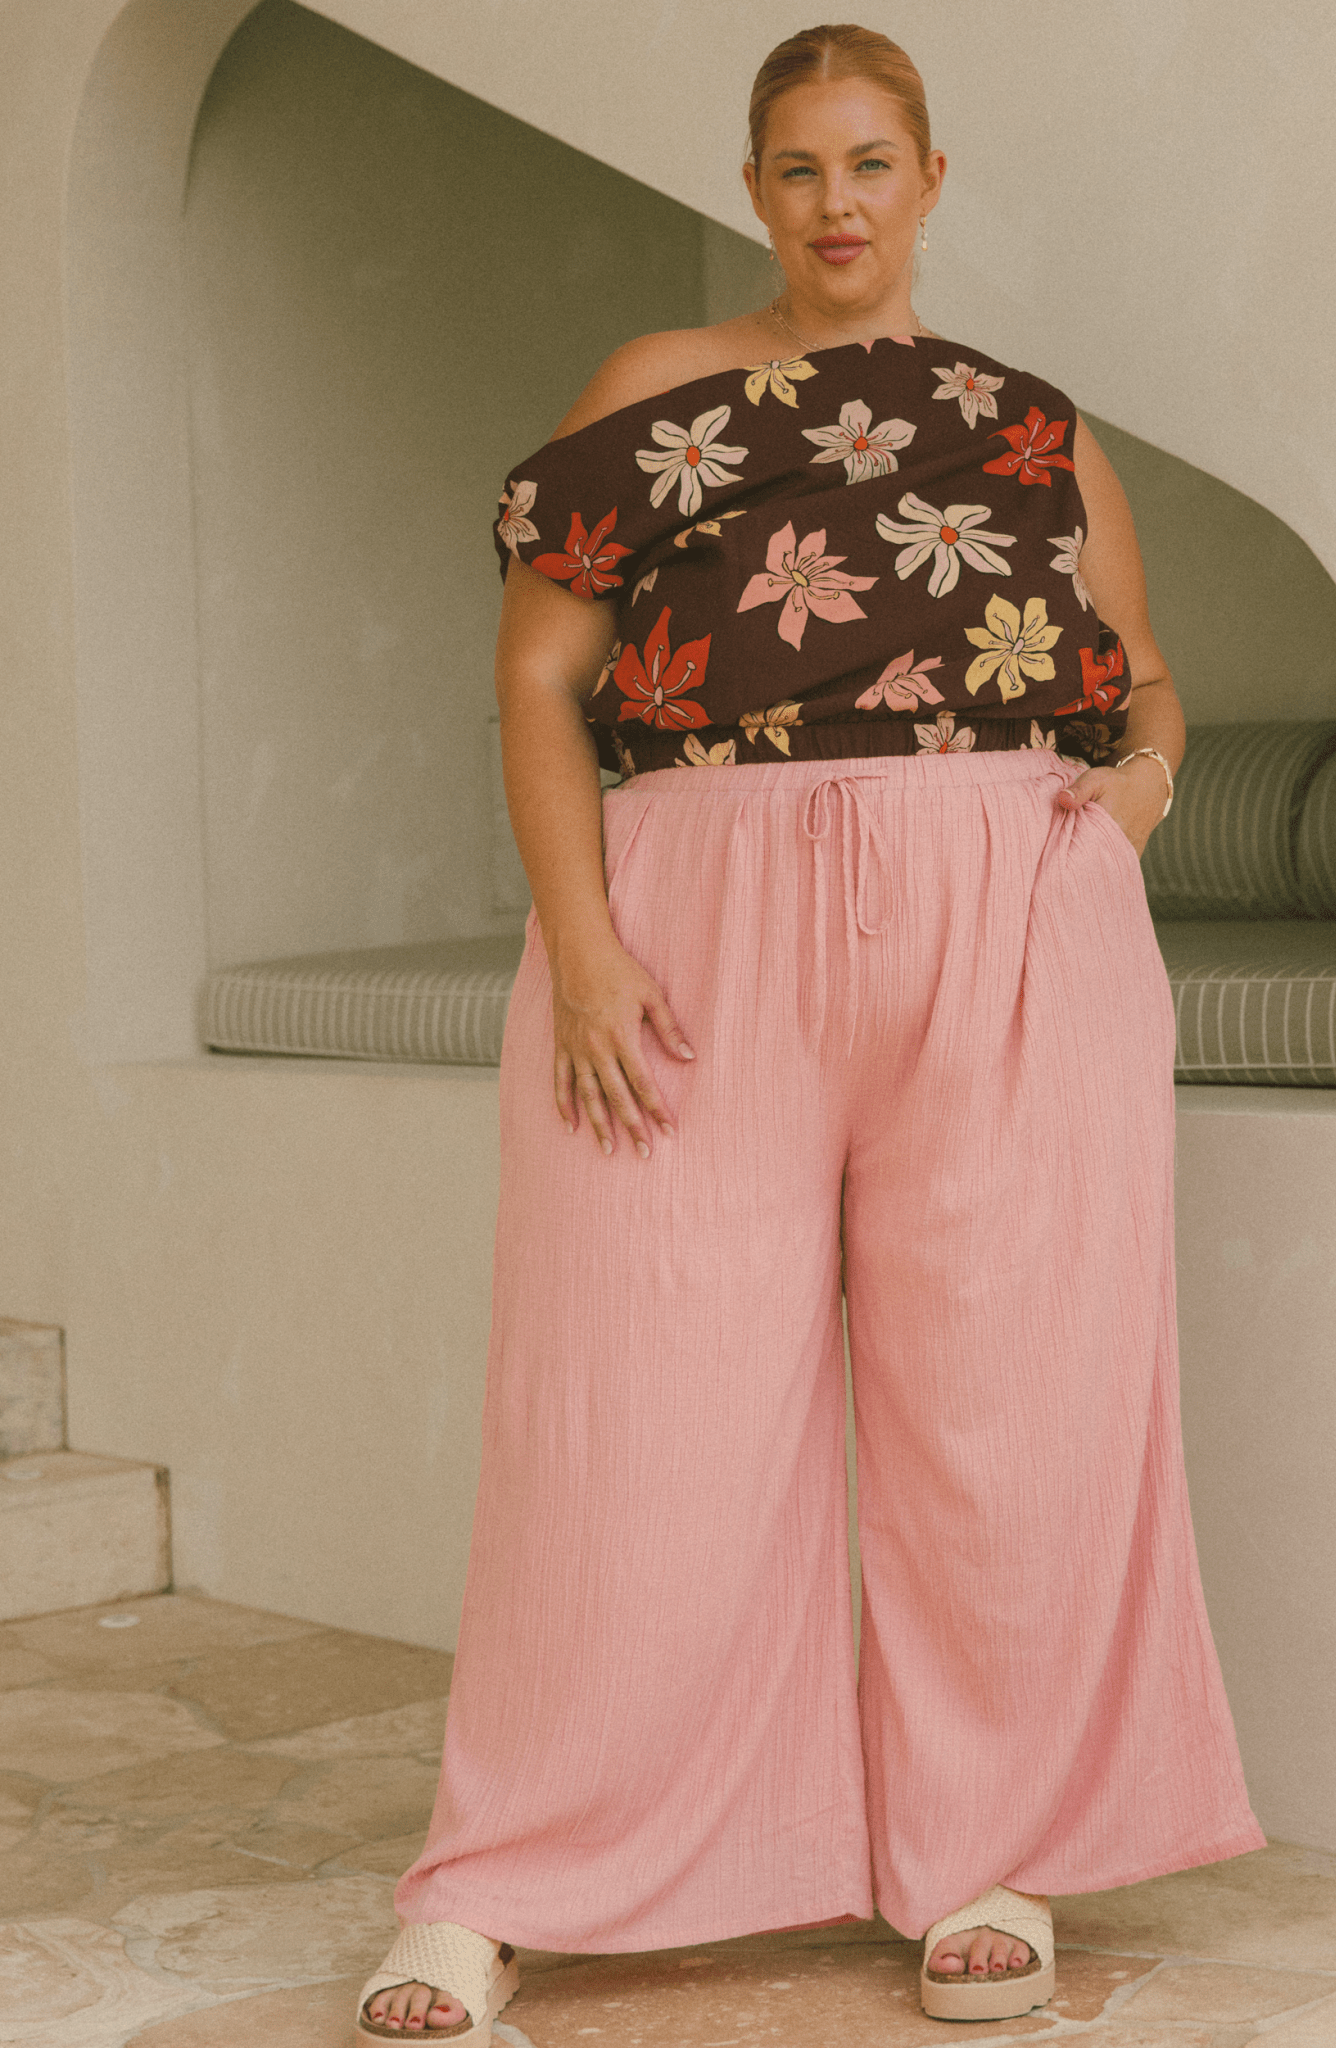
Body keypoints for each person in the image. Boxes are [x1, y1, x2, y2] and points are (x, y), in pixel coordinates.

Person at [356, 23, 1264, 2041]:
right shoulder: (652, 391)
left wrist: (1133, 800)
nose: (836, 203)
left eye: (869, 163)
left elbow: (1143, 677)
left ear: (930, 179)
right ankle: (501, 1882)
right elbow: (537, 681)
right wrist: (581, 941)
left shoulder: (1027, 426)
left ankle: (988, 1852)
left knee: (1010, 1402)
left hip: (1006, 926)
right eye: (797, 167)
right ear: (752, 188)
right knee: (628, 1416)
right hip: (695, 923)